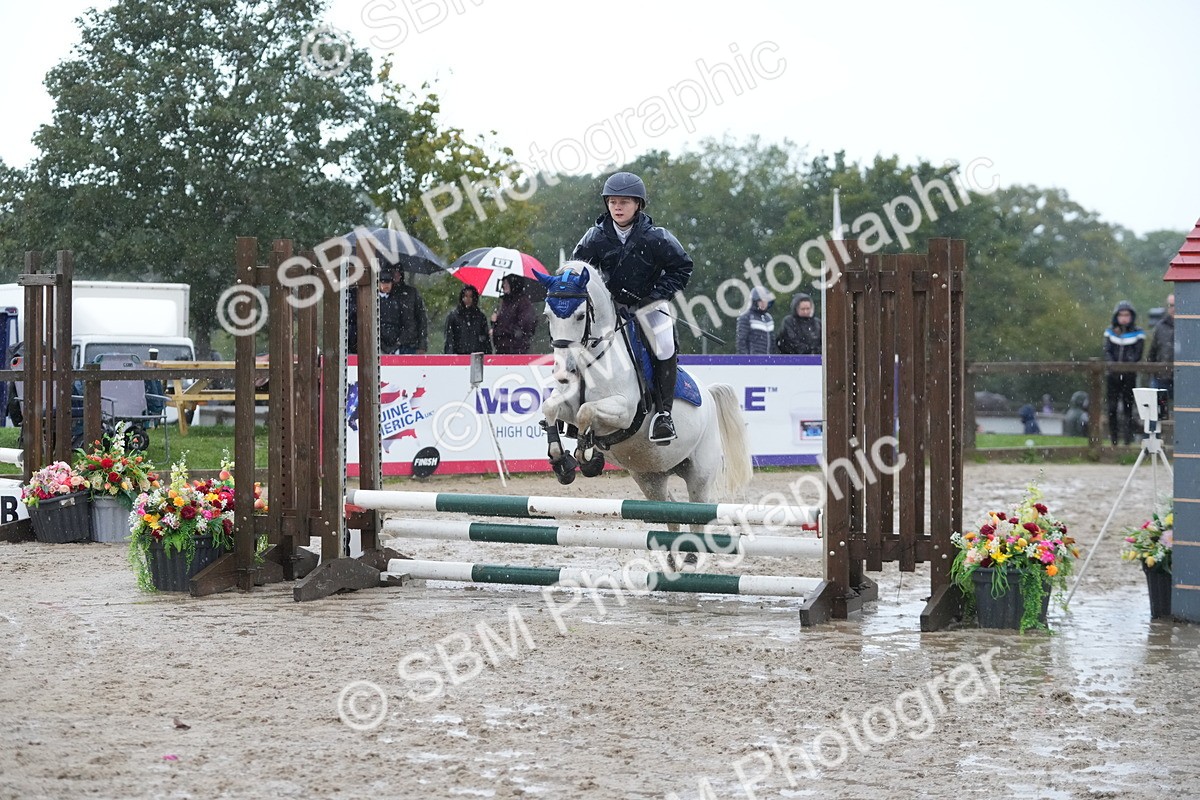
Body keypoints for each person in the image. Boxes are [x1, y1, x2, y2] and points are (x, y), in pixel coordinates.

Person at [572, 171, 693, 444]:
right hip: (610, 310)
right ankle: (574, 408)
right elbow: (579, 272)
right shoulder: (594, 237)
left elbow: (682, 267)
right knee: (578, 344)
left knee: (664, 344)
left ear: (638, 204)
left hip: (648, 307)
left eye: (624, 201)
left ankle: (663, 414)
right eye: (613, 201)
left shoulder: (656, 237)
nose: (617, 206)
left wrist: (655, 296)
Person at [1103, 300, 1145, 445]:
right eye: (1121, 315)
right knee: (1112, 408)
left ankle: (1127, 439)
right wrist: (1114, 366)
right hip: (1113, 375)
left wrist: (1126, 365)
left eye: (1127, 315)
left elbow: (1137, 354)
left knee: (1128, 407)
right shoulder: (1110, 332)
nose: (1124, 318)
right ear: (1117, 316)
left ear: (1131, 316)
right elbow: (1107, 351)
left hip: (1129, 375)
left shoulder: (1138, 333)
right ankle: (1114, 439)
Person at [490, 275, 538, 354]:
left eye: (506, 283)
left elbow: (524, 325)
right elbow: (503, 323)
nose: (503, 286)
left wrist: (500, 331)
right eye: (503, 283)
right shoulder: (504, 302)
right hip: (502, 348)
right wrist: (494, 322)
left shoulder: (523, 303)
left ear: (513, 284)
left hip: (517, 349)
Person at [444, 284, 492, 355]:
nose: (468, 299)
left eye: (470, 297)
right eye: (466, 296)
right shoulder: (454, 316)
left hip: (476, 356)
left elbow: (485, 340)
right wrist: (450, 355)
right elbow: (449, 339)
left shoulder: (480, 317)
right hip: (459, 355)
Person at [388, 270, 428, 355]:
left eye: (398, 272)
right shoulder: (384, 294)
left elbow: (422, 319)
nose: (396, 275)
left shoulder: (412, 293)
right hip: (389, 344)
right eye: (393, 272)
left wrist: (422, 345)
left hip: (410, 343)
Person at [1148, 293, 1175, 419]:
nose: (1173, 308)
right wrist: (1152, 371)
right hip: (1161, 377)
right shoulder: (1160, 326)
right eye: (1171, 305)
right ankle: (1154, 437)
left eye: (1176, 305)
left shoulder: (1192, 325)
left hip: (1184, 379)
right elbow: (1152, 351)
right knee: (1156, 413)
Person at [736, 287, 775, 354]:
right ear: (754, 301)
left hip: (767, 361)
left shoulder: (768, 318)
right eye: (760, 300)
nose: (763, 303)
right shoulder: (746, 317)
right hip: (752, 361)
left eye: (765, 300)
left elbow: (772, 342)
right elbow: (741, 342)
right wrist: (746, 360)